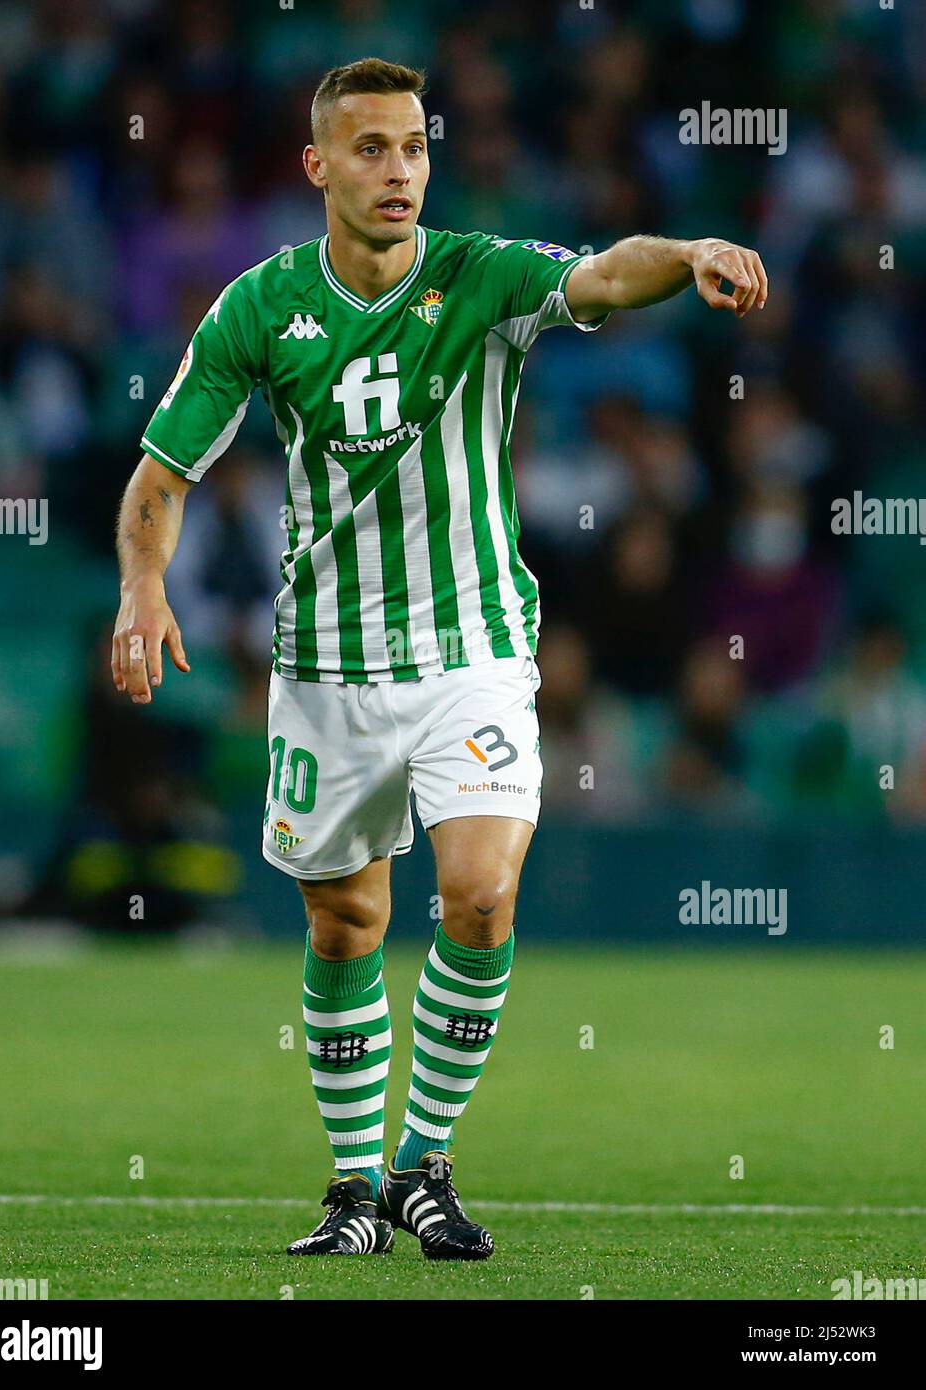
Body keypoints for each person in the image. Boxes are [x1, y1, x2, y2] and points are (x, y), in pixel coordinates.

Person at [111, 57, 768, 1260]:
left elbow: (600, 273)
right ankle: (354, 1189)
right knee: (346, 924)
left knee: (478, 889)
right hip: (326, 666)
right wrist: (144, 585)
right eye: (369, 149)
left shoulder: (481, 275)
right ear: (318, 167)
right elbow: (162, 475)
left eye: (413, 147)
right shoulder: (258, 307)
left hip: (472, 649)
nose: (399, 170)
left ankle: (424, 1164)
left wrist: (685, 253)